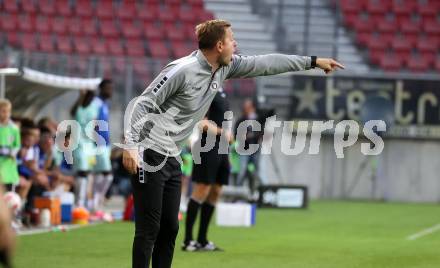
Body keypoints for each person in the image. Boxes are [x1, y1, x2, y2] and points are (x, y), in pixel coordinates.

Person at [122, 19, 344, 268]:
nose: (235, 44)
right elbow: (142, 104)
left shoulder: (224, 68)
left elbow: (266, 64)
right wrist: (131, 145)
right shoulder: (181, 70)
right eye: (231, 40)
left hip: (172, 156)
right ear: (219, 45)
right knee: (149, 229)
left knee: (171, 228)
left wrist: (312, 62)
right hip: (149, 152)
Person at [182, 90, 232, 251]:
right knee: (201, 190)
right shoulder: (207, 91)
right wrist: (223, 133)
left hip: (222, 149)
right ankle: (188, 240)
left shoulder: (222, 94)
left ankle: (202, 239)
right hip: (207, 148)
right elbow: (201, 123)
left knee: (216, 191)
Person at [71, 90, 98, 208]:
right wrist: (80, 97)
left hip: (89, 144)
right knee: (82, 171)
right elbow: (72, 113)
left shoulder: (94, 108)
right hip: (78, 142)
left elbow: (95, 125)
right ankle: (79, 203)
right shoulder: (78, 107)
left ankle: (86, 202)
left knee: (87, 173)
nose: (90, 98)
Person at [91, 79, 113, 211]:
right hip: (98, 144)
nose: (111, 91)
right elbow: (93, 123)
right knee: (106, 174)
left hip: (105, 144)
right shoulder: (96, 103)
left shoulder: (105, 104)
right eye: (108, 88)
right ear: (102, 89)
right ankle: (96, 201)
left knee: (100, 174)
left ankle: (96, 203)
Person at [0, 99, 21, 191]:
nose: (5, 114)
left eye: (8, 111)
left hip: (9, 167)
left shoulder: (14, 128)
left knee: (9, 194)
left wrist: (12, 153)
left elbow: (17, 145)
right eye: (3, 111)